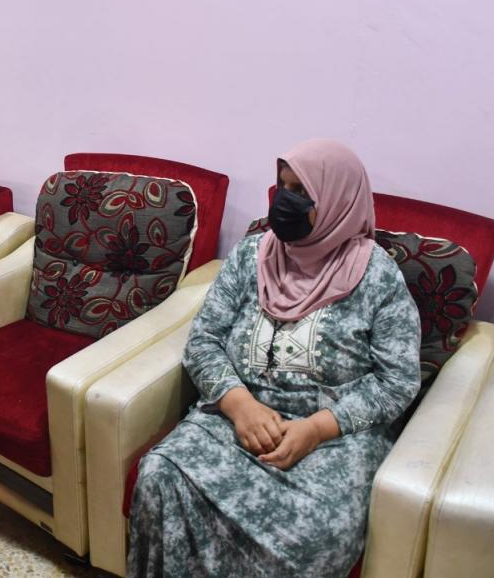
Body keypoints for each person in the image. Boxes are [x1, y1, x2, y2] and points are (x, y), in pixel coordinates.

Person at [127, 140, 421, 577]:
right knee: (159, 473)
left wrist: (318, 428)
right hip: (233, 419)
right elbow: (203, 340)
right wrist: (239, 405)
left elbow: (397, 380)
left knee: (315, 536)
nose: (286, 201)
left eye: (302, 191)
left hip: (331, 437)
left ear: (338, 200)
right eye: (284, 186)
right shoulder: (252, 255)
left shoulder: (376, 275)